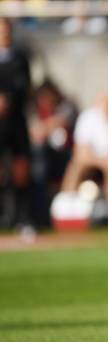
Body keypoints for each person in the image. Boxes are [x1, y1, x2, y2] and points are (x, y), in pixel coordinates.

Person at [61, 92, 108, 223]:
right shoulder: (87, 118)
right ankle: (65, 208)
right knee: (76, 167)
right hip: (89, 162)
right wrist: (100, 161)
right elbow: (81, 152)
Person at [29, 79, 78, 226]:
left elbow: (59, 121)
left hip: (66, 158)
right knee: (39, 163)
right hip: (43, 161)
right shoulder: (35, 111)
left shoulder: (67, 107)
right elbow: (34, 133)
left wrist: (44, 127)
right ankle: (40, 216)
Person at [0, 17, 32, 228]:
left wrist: (8, 99)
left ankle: (22, 219)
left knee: (21, 171)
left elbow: (24, 86)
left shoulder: (20, 58)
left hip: (16, 121)